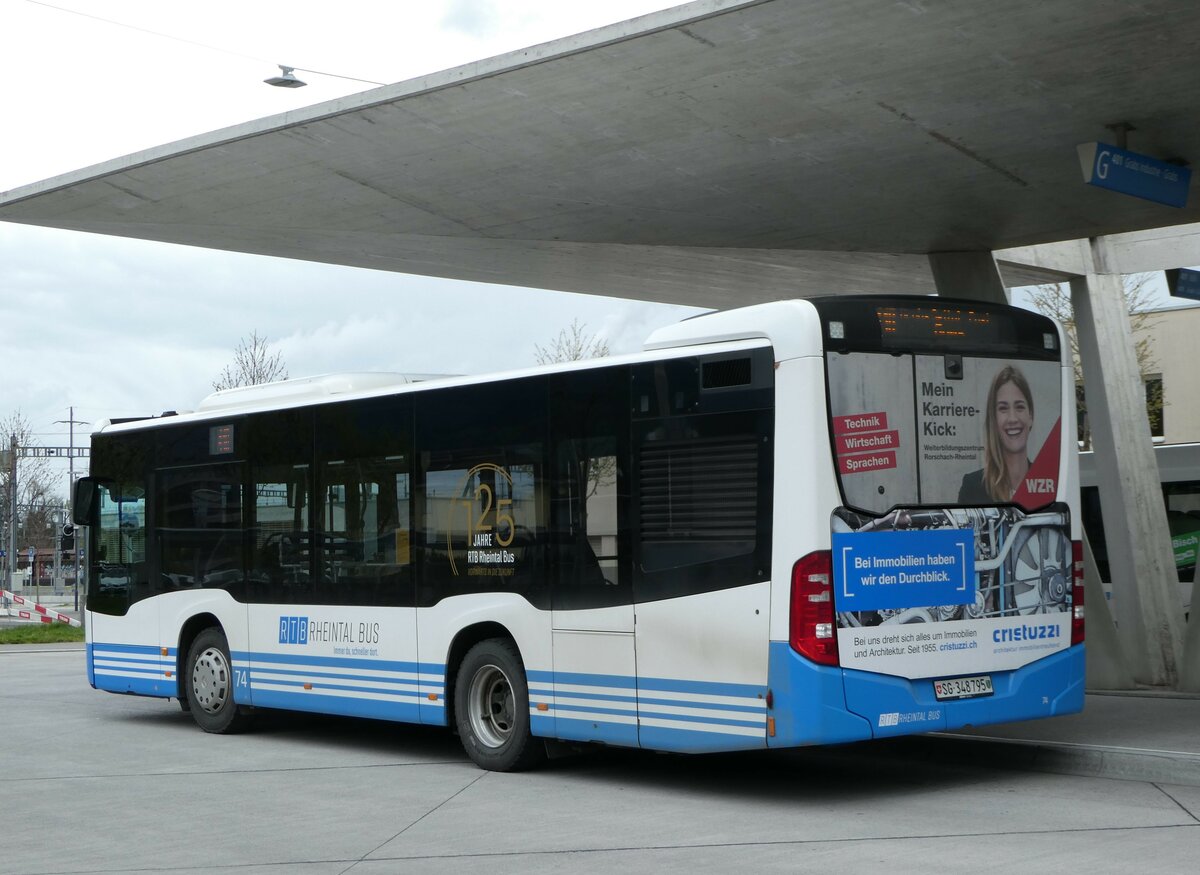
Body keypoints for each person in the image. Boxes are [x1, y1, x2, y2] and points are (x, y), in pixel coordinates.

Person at [958, 365, 1034, 503]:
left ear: (1031, 416)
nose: (1013, 418)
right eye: (1003, 408)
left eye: (1019, 407)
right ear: (993, 419)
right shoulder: (973, 487)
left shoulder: (1051, 481)